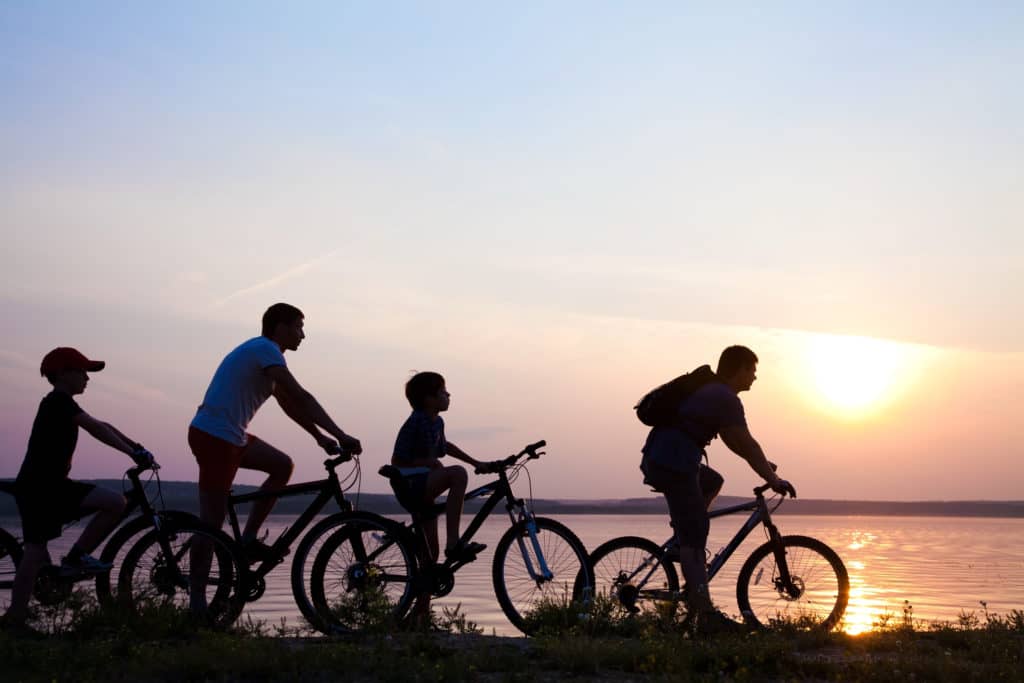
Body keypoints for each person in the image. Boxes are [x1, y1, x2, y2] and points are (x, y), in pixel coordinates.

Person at [188, 303, 361, 613]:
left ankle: (249, 538)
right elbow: (301, 395)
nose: (303, 335)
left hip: (231, 436)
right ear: (280, 326)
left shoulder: (265, 355)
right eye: (298, 327)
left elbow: (289, 404)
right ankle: (198, 603)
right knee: (210, 525)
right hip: (215, 437)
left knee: (282, 465)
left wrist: (319, 437)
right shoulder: (266, 349)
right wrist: (341, 434)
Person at [639, 345, 796, 634]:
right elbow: (746, 443)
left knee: (712, 482)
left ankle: (681, 541)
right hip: (673, 462)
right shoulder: (724, 397)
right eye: (752, 371)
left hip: (666, 457)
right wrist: (773, 479)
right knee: (696, 533)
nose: (755, 378)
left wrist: (763, 466)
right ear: (739, 370)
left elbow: (733, 440)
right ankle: (705, 618)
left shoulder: (715, 393)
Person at [1, 348, 153, 632]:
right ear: (62, 374)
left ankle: (52, 580)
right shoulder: (58, 402)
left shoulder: (64, 403)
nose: (87, 378)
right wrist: (131, 454)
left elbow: (102, 424)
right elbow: (95, 428)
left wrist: (136, 447)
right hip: (42, 489)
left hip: (46, 487)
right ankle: (16, 617)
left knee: (39, 554)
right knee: (113, 503)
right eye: (82, 372)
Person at [390, 372, 495, 564]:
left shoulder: (436, 422)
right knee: (458, 474)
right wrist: (425, 463)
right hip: (410, 485)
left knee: (429, 557)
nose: (448, 395)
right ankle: (453, 543)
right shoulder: (417, 421)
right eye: (443, 392)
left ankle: (422, 590)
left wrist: (476, 463)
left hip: (423, 489)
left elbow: (445, 447)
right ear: (429, 399)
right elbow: (396, 460)